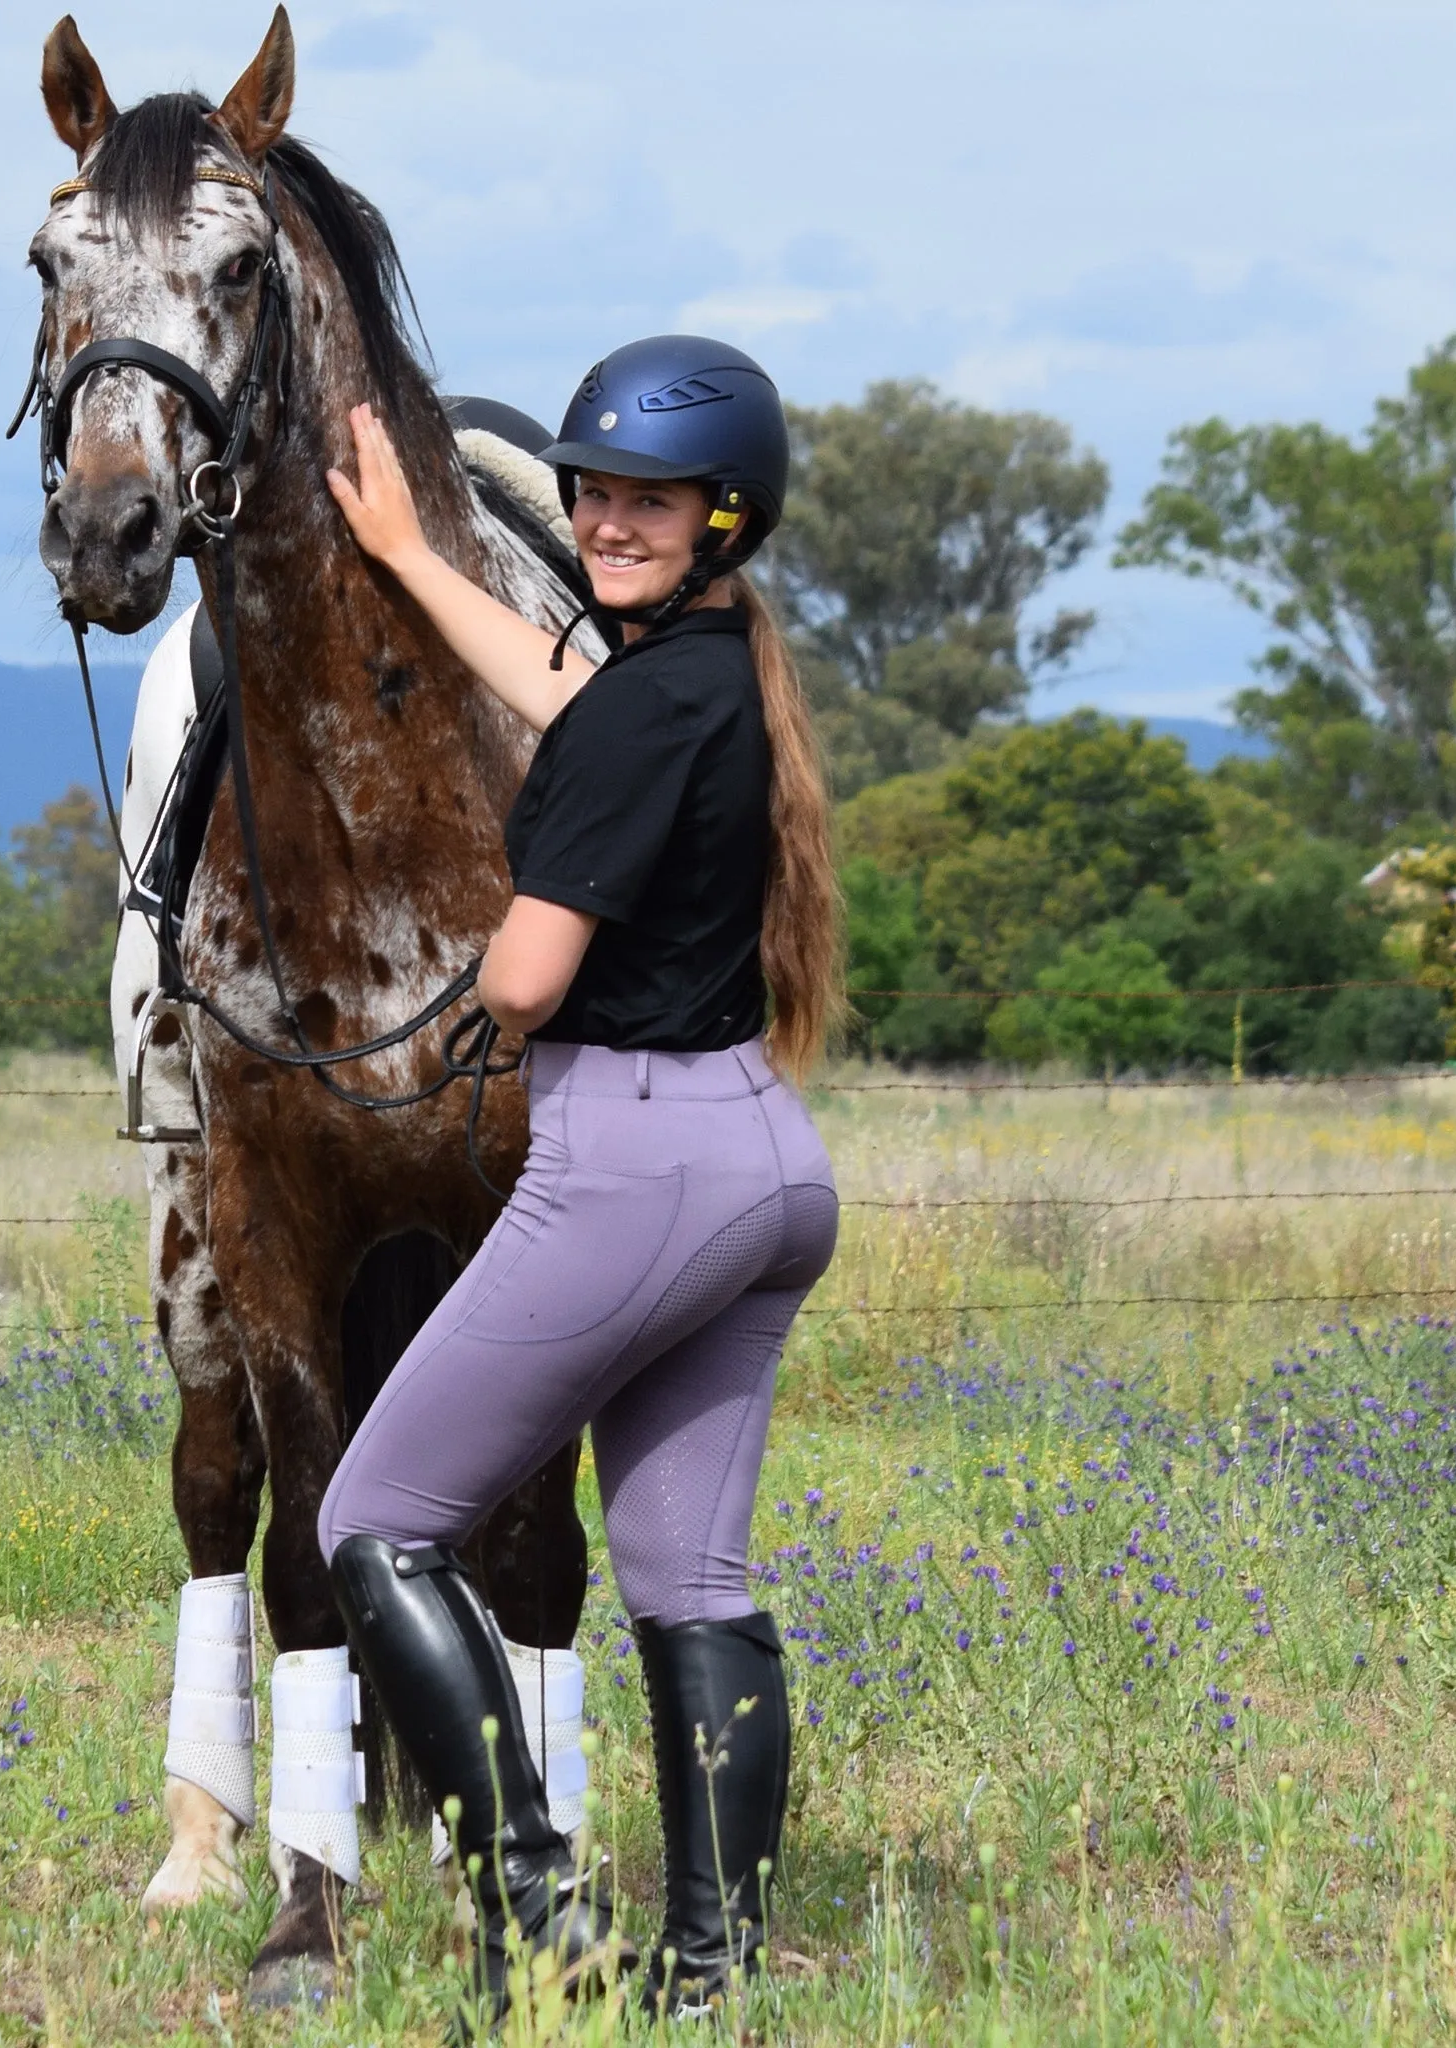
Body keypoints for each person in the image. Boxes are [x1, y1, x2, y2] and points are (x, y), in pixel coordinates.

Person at [317, 335, 841, 2026]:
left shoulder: (642, 706)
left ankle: (540, 1916)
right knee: (691, 1584)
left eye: (648, 501)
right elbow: (557, 685)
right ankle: (713, 1984)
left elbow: (532, 980)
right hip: (760, 1152)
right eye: (596, 493)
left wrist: (464, 984)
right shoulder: (709, 672)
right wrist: (406, 551)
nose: (611, 521)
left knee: (376, 1521)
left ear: (722, 516)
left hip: (633, 1165)